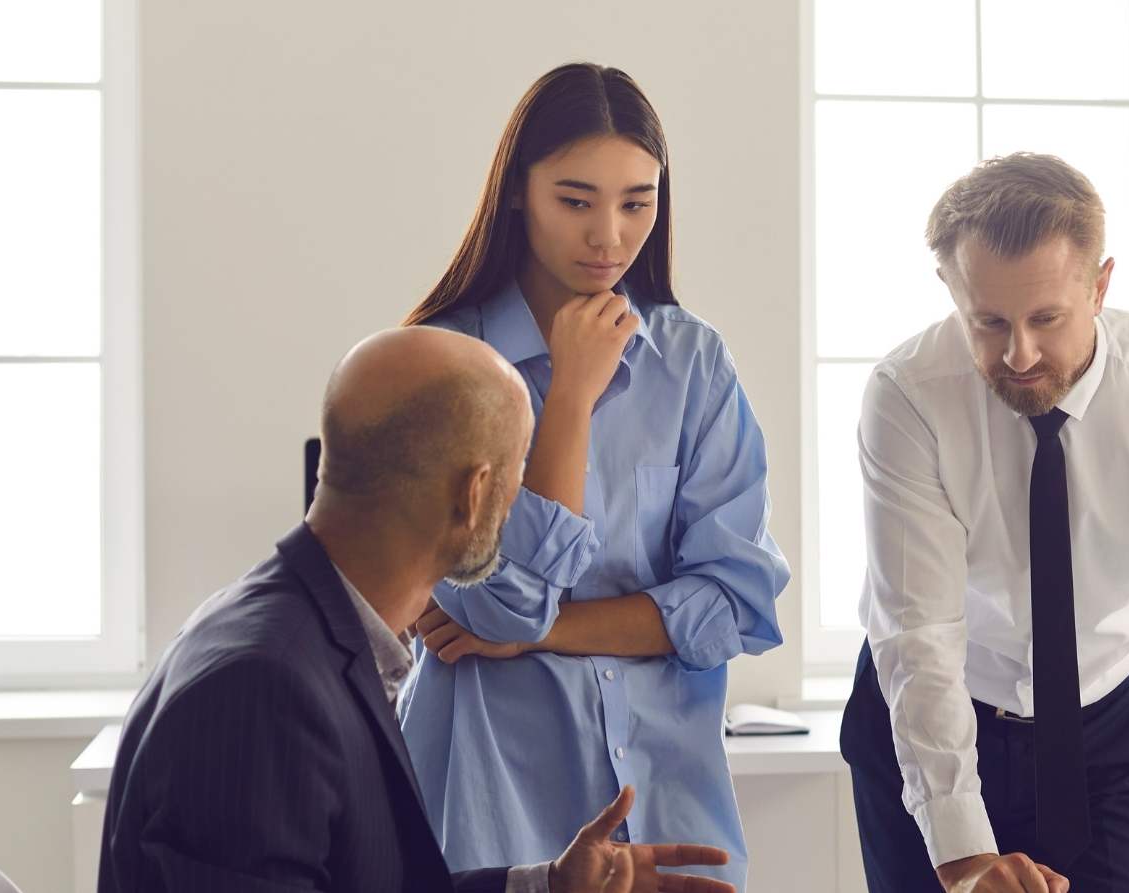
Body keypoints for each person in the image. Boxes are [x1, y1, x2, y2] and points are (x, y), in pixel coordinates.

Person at [97, 327, 734, 893]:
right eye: (521, 478)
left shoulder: (301, 632)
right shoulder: (264, 690)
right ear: (475, 493)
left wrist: (547, 887)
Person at [840, 153, 1129, 893]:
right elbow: (919, 637)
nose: (1018, 353)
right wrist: (966, 860)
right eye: (989, 321)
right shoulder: (909, 396)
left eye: (1046, 319)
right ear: (950, 289)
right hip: (937, 712)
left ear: (1099, 286)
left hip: (1099, 731)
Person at [395, 64, 790, 888]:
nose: (609, 235)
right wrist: (569, 394)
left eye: (636, 202)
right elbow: (497, 600)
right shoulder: (445, 360)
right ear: (517, 193)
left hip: (671, 789)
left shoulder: (695, 363)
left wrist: (539, 633)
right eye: (576, 201)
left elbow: (733, 603)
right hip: (492, 794)